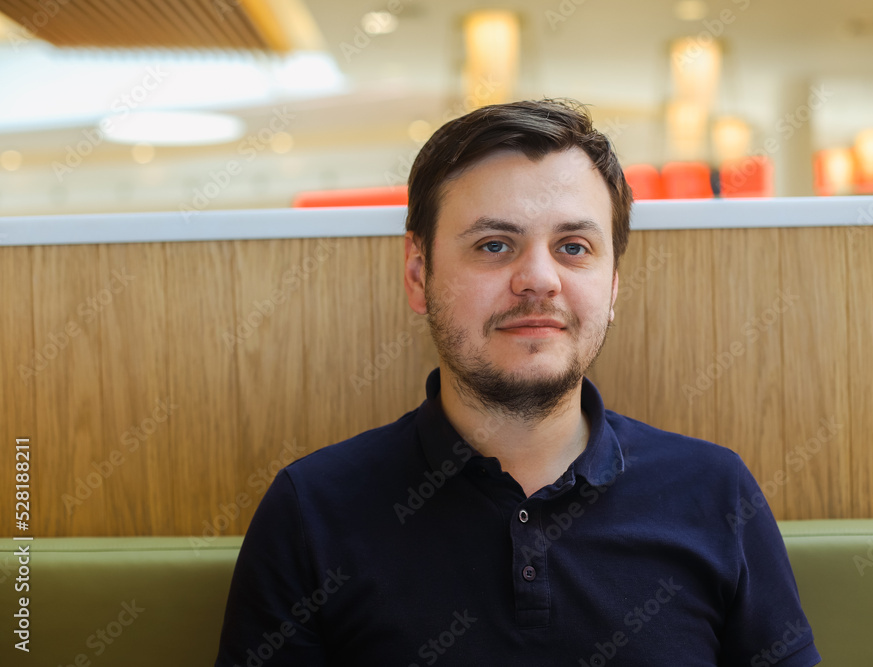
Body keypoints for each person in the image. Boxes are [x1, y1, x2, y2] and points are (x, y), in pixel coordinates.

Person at [215, 99, 821, 666]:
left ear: (612, 286)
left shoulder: (716, 494)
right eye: (495, 244)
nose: (539, 279)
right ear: (419, 274)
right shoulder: (311, 511)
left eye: (573, 247)